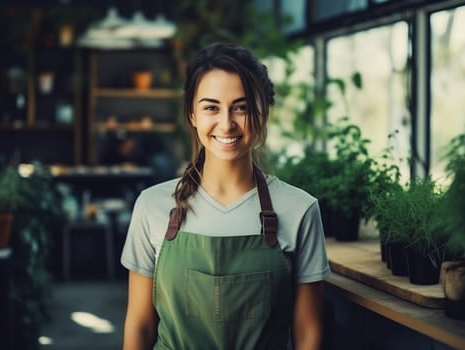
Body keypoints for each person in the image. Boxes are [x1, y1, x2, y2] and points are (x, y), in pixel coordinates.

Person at [121, 42, 331, 349]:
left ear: (262, 114)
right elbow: (139, 327)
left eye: (241, 107)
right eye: (211, 108)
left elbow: (308, 334)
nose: (227, 123)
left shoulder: (300, 210)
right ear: (192, 115)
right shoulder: (152, 207)